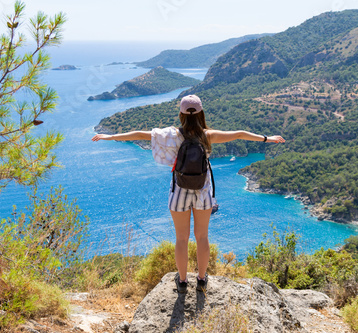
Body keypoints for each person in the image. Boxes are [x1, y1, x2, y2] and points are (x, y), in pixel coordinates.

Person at [91, 94, 285, 293]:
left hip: (179, 191)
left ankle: (182, 281)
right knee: (202, 237)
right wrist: (266, 139)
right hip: (203, 191)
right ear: (201, 113)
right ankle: (201, 278)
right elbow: (239, 134)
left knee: (181, 238)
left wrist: (111, 137)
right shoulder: (207, 135)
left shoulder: (172, 134)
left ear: (181, 114)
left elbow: (139, 134)